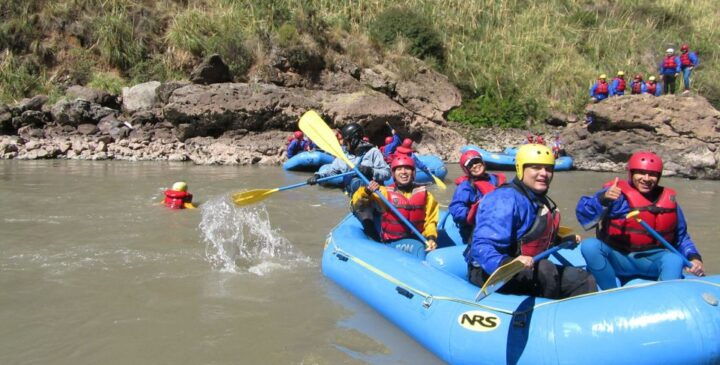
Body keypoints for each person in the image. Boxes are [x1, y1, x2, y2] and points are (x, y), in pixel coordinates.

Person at [465, 144, 597, 299]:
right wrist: (507, 263)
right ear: (521, 169)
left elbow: (529, 236)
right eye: (536, 168)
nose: (544, 174)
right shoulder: (503, 199)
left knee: (583, 280)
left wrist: (559, 240)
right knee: (546, 269)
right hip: (492, 271)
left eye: (548, 169)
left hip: (529, 267)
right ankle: (545, 316)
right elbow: (481, 246)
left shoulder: (538, 198)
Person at [575, 152, 704, 290]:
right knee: (590, 246)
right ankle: (610, 292)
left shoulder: (669, 201)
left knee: (674, 260)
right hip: (618, 257)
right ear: (631, 173)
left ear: (659, 176)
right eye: (641, 173)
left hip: (651, 260)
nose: (646, 179)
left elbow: (681, 237)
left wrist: (694, 257)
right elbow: (585, 217)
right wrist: (602, 199)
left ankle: (663, 299)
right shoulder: (616, 195)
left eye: (652, 174)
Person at [351, 155, 439, 257]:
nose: (403, 172)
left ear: (413, 173)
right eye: (399, 169)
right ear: (393, 174)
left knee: (423, 247)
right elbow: (356, 202)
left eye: (407, 168)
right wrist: (366, 191)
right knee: (419, 248)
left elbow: (431, 221)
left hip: (417, 238)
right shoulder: (383, 192)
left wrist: (431, 238)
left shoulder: (426, 195)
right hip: (393, 242)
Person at [307, 123, 390, 196]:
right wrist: (318, 176)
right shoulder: (344, 155)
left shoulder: (373, 152)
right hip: (357, 198)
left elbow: (387, 173)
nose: (343, 143)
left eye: (346, 141)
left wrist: (371, 171)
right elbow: (332, 170)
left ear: (354, 140)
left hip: (374, 195)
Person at [449, 150, 506, 243]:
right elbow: (456, 209)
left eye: (476, 161)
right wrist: (473, 213)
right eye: (470, 165)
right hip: (475, 229)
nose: (475, 166)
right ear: (466, 170)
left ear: (482, 162)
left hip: (498, 224)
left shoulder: (495, 180)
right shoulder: (465, 186)